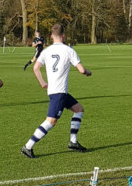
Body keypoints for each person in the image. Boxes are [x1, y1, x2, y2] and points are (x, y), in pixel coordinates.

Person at [21, 23, 92, 159]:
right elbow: (82, 70)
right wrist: (88, 72)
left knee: (79, 109)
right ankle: (28, 146)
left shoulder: (46, 51)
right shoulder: (69, 50)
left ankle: (73, 141)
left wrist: (42, 82)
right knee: (51, 121)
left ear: (51, 36)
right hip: (58, 92)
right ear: (64, 35)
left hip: (58, 91)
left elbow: (36, 68)